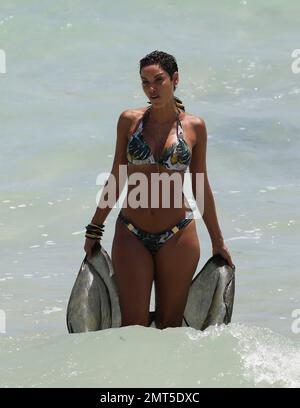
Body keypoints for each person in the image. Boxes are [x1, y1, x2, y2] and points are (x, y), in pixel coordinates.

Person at [84, 50, 234, 329]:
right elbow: (116, 177)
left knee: (170, 326)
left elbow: (200, 184)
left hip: (178, 234)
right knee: (134, 326)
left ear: (175, 79)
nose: (151, 88)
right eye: (144, 82)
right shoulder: (129, 121)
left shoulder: (194, 127)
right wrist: (95, 228)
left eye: (158, 80)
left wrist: (218, 240)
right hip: (131, 232)